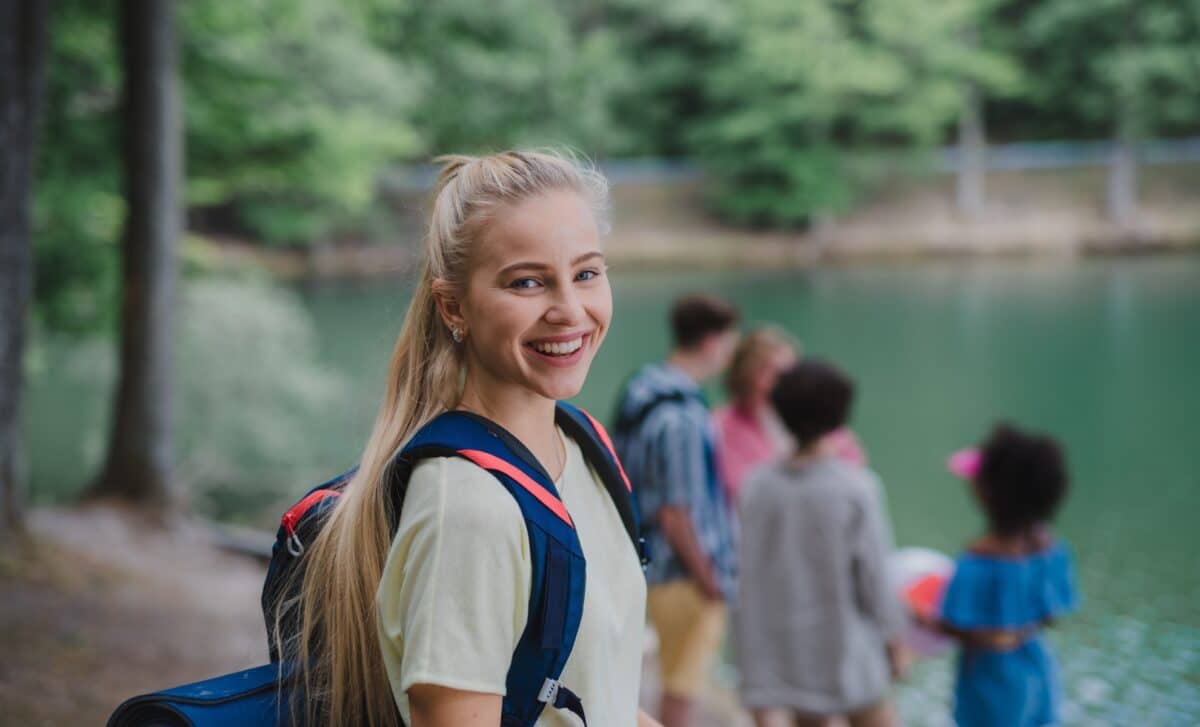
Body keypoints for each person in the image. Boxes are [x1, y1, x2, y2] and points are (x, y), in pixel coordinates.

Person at [276, 151, 661, 727]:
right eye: (527, 282)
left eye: (586, 273)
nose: (570, 310)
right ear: (454, 306)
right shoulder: (470, 511)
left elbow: (595, 694)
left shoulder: (585, 446)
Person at [735, 360, 905, 727]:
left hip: (790, 655)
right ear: (840, 417)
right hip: (849, 652)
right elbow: (875, 578)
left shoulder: (757, 485)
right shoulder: (857, 488)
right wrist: (895, 642)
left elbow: (748, 572)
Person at [613, 294, 740, 727]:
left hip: (644, 558)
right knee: (682, 691)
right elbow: (676, 512)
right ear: (710, 341)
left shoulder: (642, 388)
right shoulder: (683, 414)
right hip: (683, 572)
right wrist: (710, 579)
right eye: (728, 340)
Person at [923, 425, 1078, 727]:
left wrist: (919, 613)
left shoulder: (977, 564)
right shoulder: (1052, 551)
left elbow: (953, 625)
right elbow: (1053, 614)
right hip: (1036, 665)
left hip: (990, 681)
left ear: (984, 494)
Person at [714, 327, 866, 503]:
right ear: (745, 376)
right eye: (771, 372)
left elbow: (854, 465)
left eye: (791, 373)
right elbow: (740, 490)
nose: (784, 383)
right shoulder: (722, 427)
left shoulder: (818, 419)